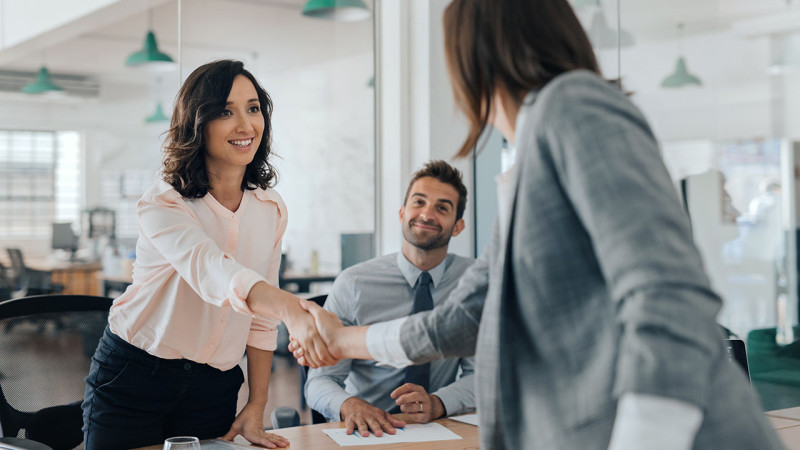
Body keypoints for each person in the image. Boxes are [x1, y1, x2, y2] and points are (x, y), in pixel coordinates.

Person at [290, 1, 784, 449]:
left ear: (475, 55)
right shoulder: (526, 163)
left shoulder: (574, 105)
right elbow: (466, 319)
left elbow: (668, 297)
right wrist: (342, 340)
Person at [81, 60, 334, 450]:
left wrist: (257, 402)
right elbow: (212, 271)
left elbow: (260, 322)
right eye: (225, 112)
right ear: (197, 123)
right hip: (135, 374)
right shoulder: (164, 203)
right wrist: (291, 310)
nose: (245, 125)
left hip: (213, 385)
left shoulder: (271, 209)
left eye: (253, 109)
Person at [305, 160, 476, 437]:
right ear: (401, 213)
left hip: (438, 428)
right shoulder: (354, 284)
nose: (427, 214)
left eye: (442, 208)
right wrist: (350, 405)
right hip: (367, 433)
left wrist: (437, 403)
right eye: (418, 202)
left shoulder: (473, 283)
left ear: (458, 226)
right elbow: (320, 380)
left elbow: (482, 374)